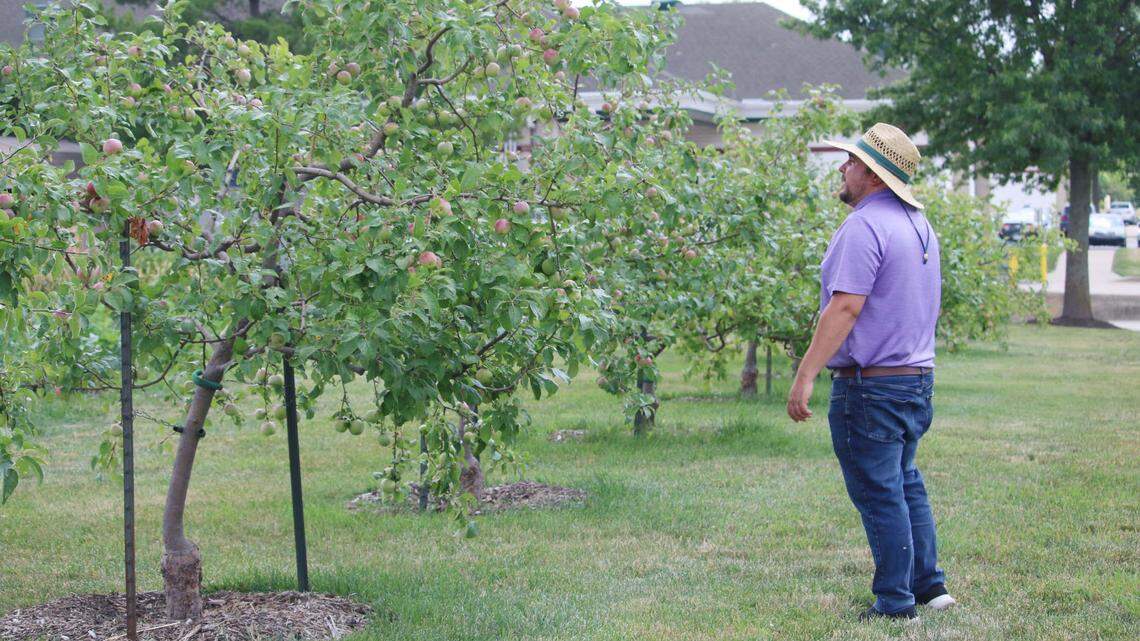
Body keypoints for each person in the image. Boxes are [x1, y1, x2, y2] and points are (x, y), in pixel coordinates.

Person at [786, 123, 955, 621]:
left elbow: (845, 308)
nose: (843, 167)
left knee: (882, 492)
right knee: (905, 482)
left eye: (852, 162)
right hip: (915, 378)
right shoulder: (919, 225)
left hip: (871, 386)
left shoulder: (864, 225)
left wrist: (805, 374)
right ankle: (931, 587)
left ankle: (896, 604)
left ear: (875, 175)